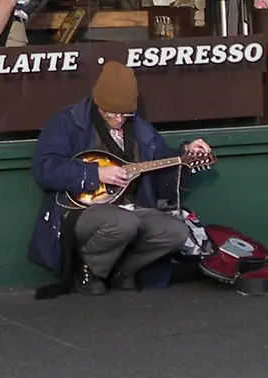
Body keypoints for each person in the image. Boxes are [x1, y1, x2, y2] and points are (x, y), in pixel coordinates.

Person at [28, 62, 212, 295]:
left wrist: (185, 154)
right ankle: (88, 269)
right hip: (81, 211)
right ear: (98, 101)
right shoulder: (68, 122)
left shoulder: (141, 129)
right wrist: (95, 174)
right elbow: (44, 169)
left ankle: (122, 272)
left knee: (176, 232)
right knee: (124, 223)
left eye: (124, 113)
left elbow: (162, 165)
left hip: (131, 207)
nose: (117, 118)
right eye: (110, 112)